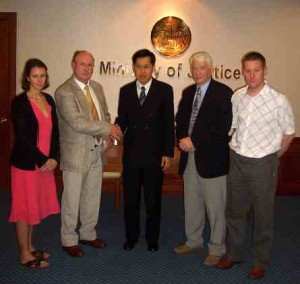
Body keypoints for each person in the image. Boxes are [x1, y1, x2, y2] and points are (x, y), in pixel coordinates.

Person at [217, 51, 295, 279]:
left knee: (263, 215)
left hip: (263, 163)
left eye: (256, 70)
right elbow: (232, 127)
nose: (251, 75)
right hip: (238, 161)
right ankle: (234, 253)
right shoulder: (237, 96)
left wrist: (272, 157)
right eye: (247, 70)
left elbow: (289, 134)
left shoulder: (279, 100)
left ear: (265, 71)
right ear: (243, 71)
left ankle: (261, 261)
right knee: (235, 212)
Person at [55, 50, 122, 257]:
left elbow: (106, 114)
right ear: (73, 64)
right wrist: (108, 129)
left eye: (90, 65)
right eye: (82, 64)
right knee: (72, 199)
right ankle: (68, 239)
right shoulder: (64, 91)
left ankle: (87, 234)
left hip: (97, 151)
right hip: (76, 153)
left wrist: (109, 138)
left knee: (93, 196)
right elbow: (76, 122)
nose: (87, 68)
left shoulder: (97, 88)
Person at [174, 51, 233, 266]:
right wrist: (182, 139)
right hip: (189, 158)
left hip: (213, 160)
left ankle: (217, 248)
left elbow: (222, 128)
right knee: (192, 203)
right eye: (194, 68)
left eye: (202, 68)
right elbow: (180, 119)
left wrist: (194, 141)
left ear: (211, 69)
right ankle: (194, 240)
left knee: (216, 207)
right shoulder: (189, 92)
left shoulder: (223, 93)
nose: (197, 72)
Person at [116, 49, 174, 252]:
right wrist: (113, 129)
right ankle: (131, 237)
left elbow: (168, 125)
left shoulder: (165, 90)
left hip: (154, 156)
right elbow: (121, 120)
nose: (142, 71)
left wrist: (168, 153)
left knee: (153, 200)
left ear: (153, 68)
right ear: (133, 68)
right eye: (138, 67)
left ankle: (152, 239)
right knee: (130, 200)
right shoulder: (125, 91)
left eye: (146, 66)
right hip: (131, 155)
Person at [9, 58, 60, 268]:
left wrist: (55, 158)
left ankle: (30, 246)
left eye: (43, 75)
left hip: (46, 165)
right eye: (35, 76)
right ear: (27, 77)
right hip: (27, 165)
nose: (40, 80)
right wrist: (43, 160)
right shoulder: (20, 102)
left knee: (34, 206)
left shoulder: (48, 99)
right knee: (23, 208)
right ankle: (24, 254)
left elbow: (56, 132)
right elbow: (23, 138)